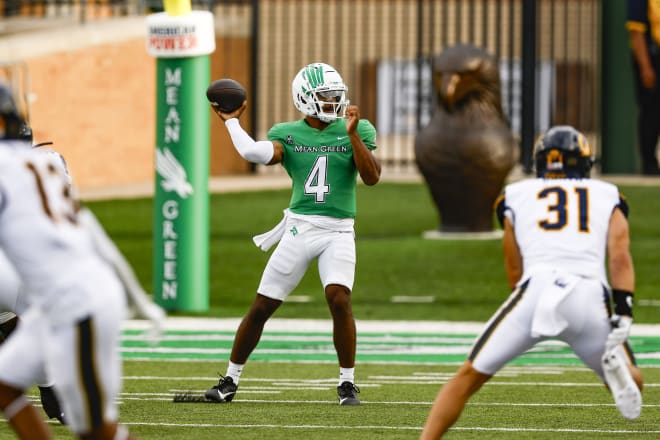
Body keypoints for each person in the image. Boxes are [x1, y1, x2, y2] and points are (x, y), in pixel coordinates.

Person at [420, 126, 644, 439]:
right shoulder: (607, 194)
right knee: (634, 383)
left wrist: (523, 313)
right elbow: (619, 256)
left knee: (467, 376)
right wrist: (623, 309)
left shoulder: (516, 194)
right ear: (583, 162)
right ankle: (619, 370)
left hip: (537, 291)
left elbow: (514, 263)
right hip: (589, 295)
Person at [204, 62, 381, 406]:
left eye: (336, 94)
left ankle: (347, 383)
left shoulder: (356, 129)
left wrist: (354, 134)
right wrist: (232, 123)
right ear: (305, 99)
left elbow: (372, 177)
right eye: (326, 96)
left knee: (339, 299)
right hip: (300, 228)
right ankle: (230, 380)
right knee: (262, 306)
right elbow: (254, 153)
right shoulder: (287, 133)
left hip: (339, 231)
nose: (334, 101)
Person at [0, 83, 135, 439]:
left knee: (93, 429)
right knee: (6, 385)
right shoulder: (46, 164)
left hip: (76, 303)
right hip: (68, 296)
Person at [626, 0, 660, 175]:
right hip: (653, 57)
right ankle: (649, 163)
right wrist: (646, 67)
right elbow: (636, 31)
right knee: (651, 112)